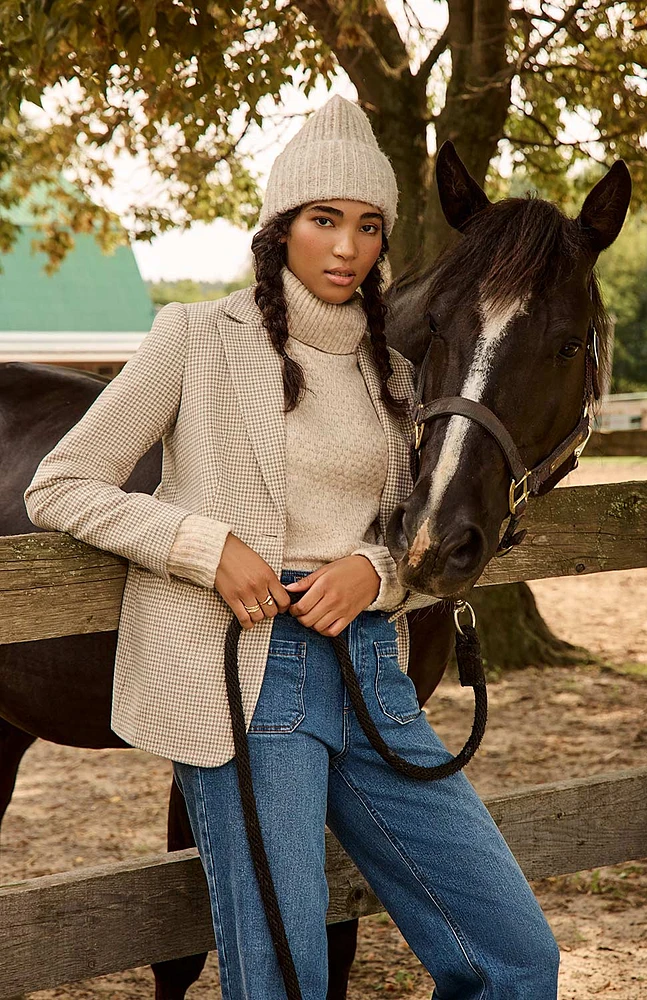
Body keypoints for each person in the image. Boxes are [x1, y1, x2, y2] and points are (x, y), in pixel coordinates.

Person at [23, 95, 559, 999]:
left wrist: (378, 571)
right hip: (249, 682)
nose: (347, 248)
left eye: (368, 226)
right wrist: (204, 547)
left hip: (376, 680)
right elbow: (61, 484)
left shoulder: (396, 376)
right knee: (285, 979)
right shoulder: (193, 339)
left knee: (515, 957)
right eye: (323, 221)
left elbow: (413, 535)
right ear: (281, 228)